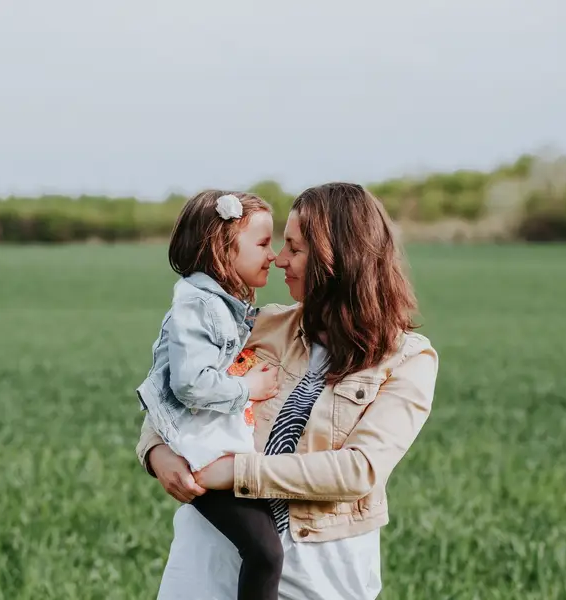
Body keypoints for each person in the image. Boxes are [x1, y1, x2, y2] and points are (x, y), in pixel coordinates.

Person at [137, 182, 440, 599]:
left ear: (340, 259)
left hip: (319, 577)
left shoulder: (408, 360)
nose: (279, 259)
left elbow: (359, 470)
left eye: (295, 249)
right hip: (209, 564)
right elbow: (179, 388)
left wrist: (239, 473)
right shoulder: (258, 326)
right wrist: (155, 451)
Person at [135, 189, 285, 600]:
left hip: (211, 447)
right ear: (222, 250)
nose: (273, 255)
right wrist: (248, 388)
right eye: (263, 243)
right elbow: (187, 384)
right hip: (205, 450)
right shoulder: (200, 306)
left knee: (264, 550)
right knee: (265, 553)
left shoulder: (227, 306)